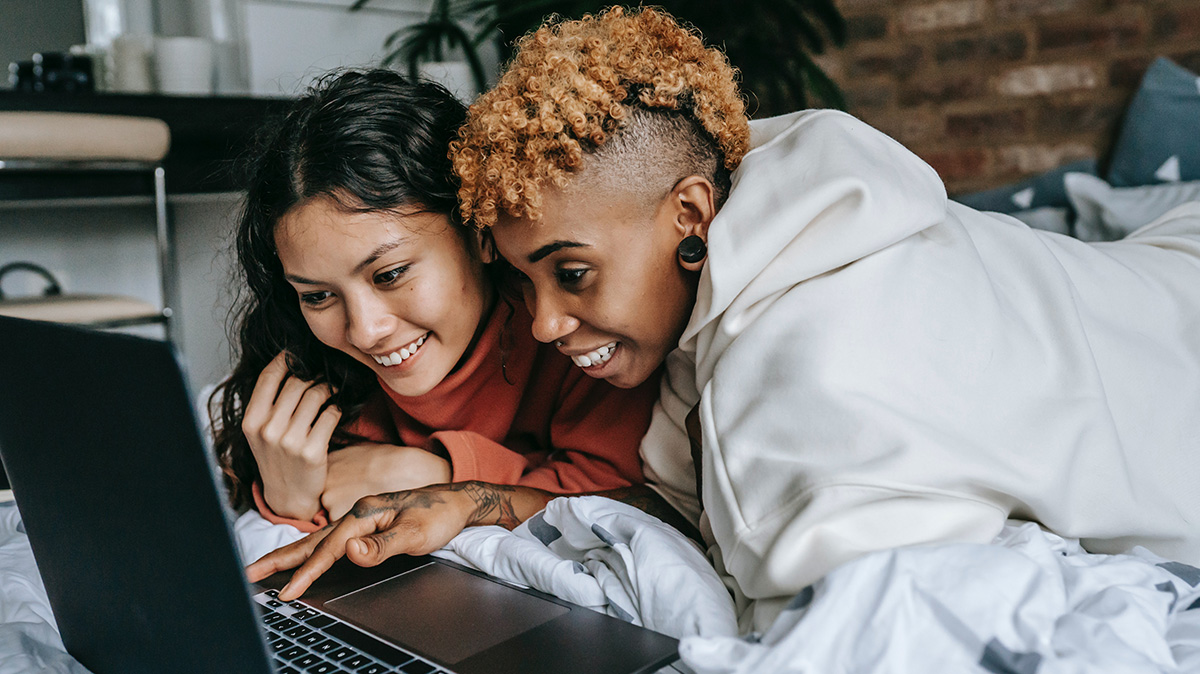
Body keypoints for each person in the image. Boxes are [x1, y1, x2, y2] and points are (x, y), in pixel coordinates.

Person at [248, 7, 1200, 634]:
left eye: (572, 272)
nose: (542, 324)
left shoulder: (810, 353)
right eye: (525, 281)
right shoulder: (667, 298)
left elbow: (852, 611)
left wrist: (457, 477)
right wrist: (464, 496)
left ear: (695, 216)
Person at [211, 68, 660, 534]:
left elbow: (625, 497)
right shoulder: (320, 370)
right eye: (318, 295)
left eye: (390, 274)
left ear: (479, 232)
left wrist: (440, 475)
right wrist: (291, 500)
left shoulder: (571, 328)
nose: (365, 331)